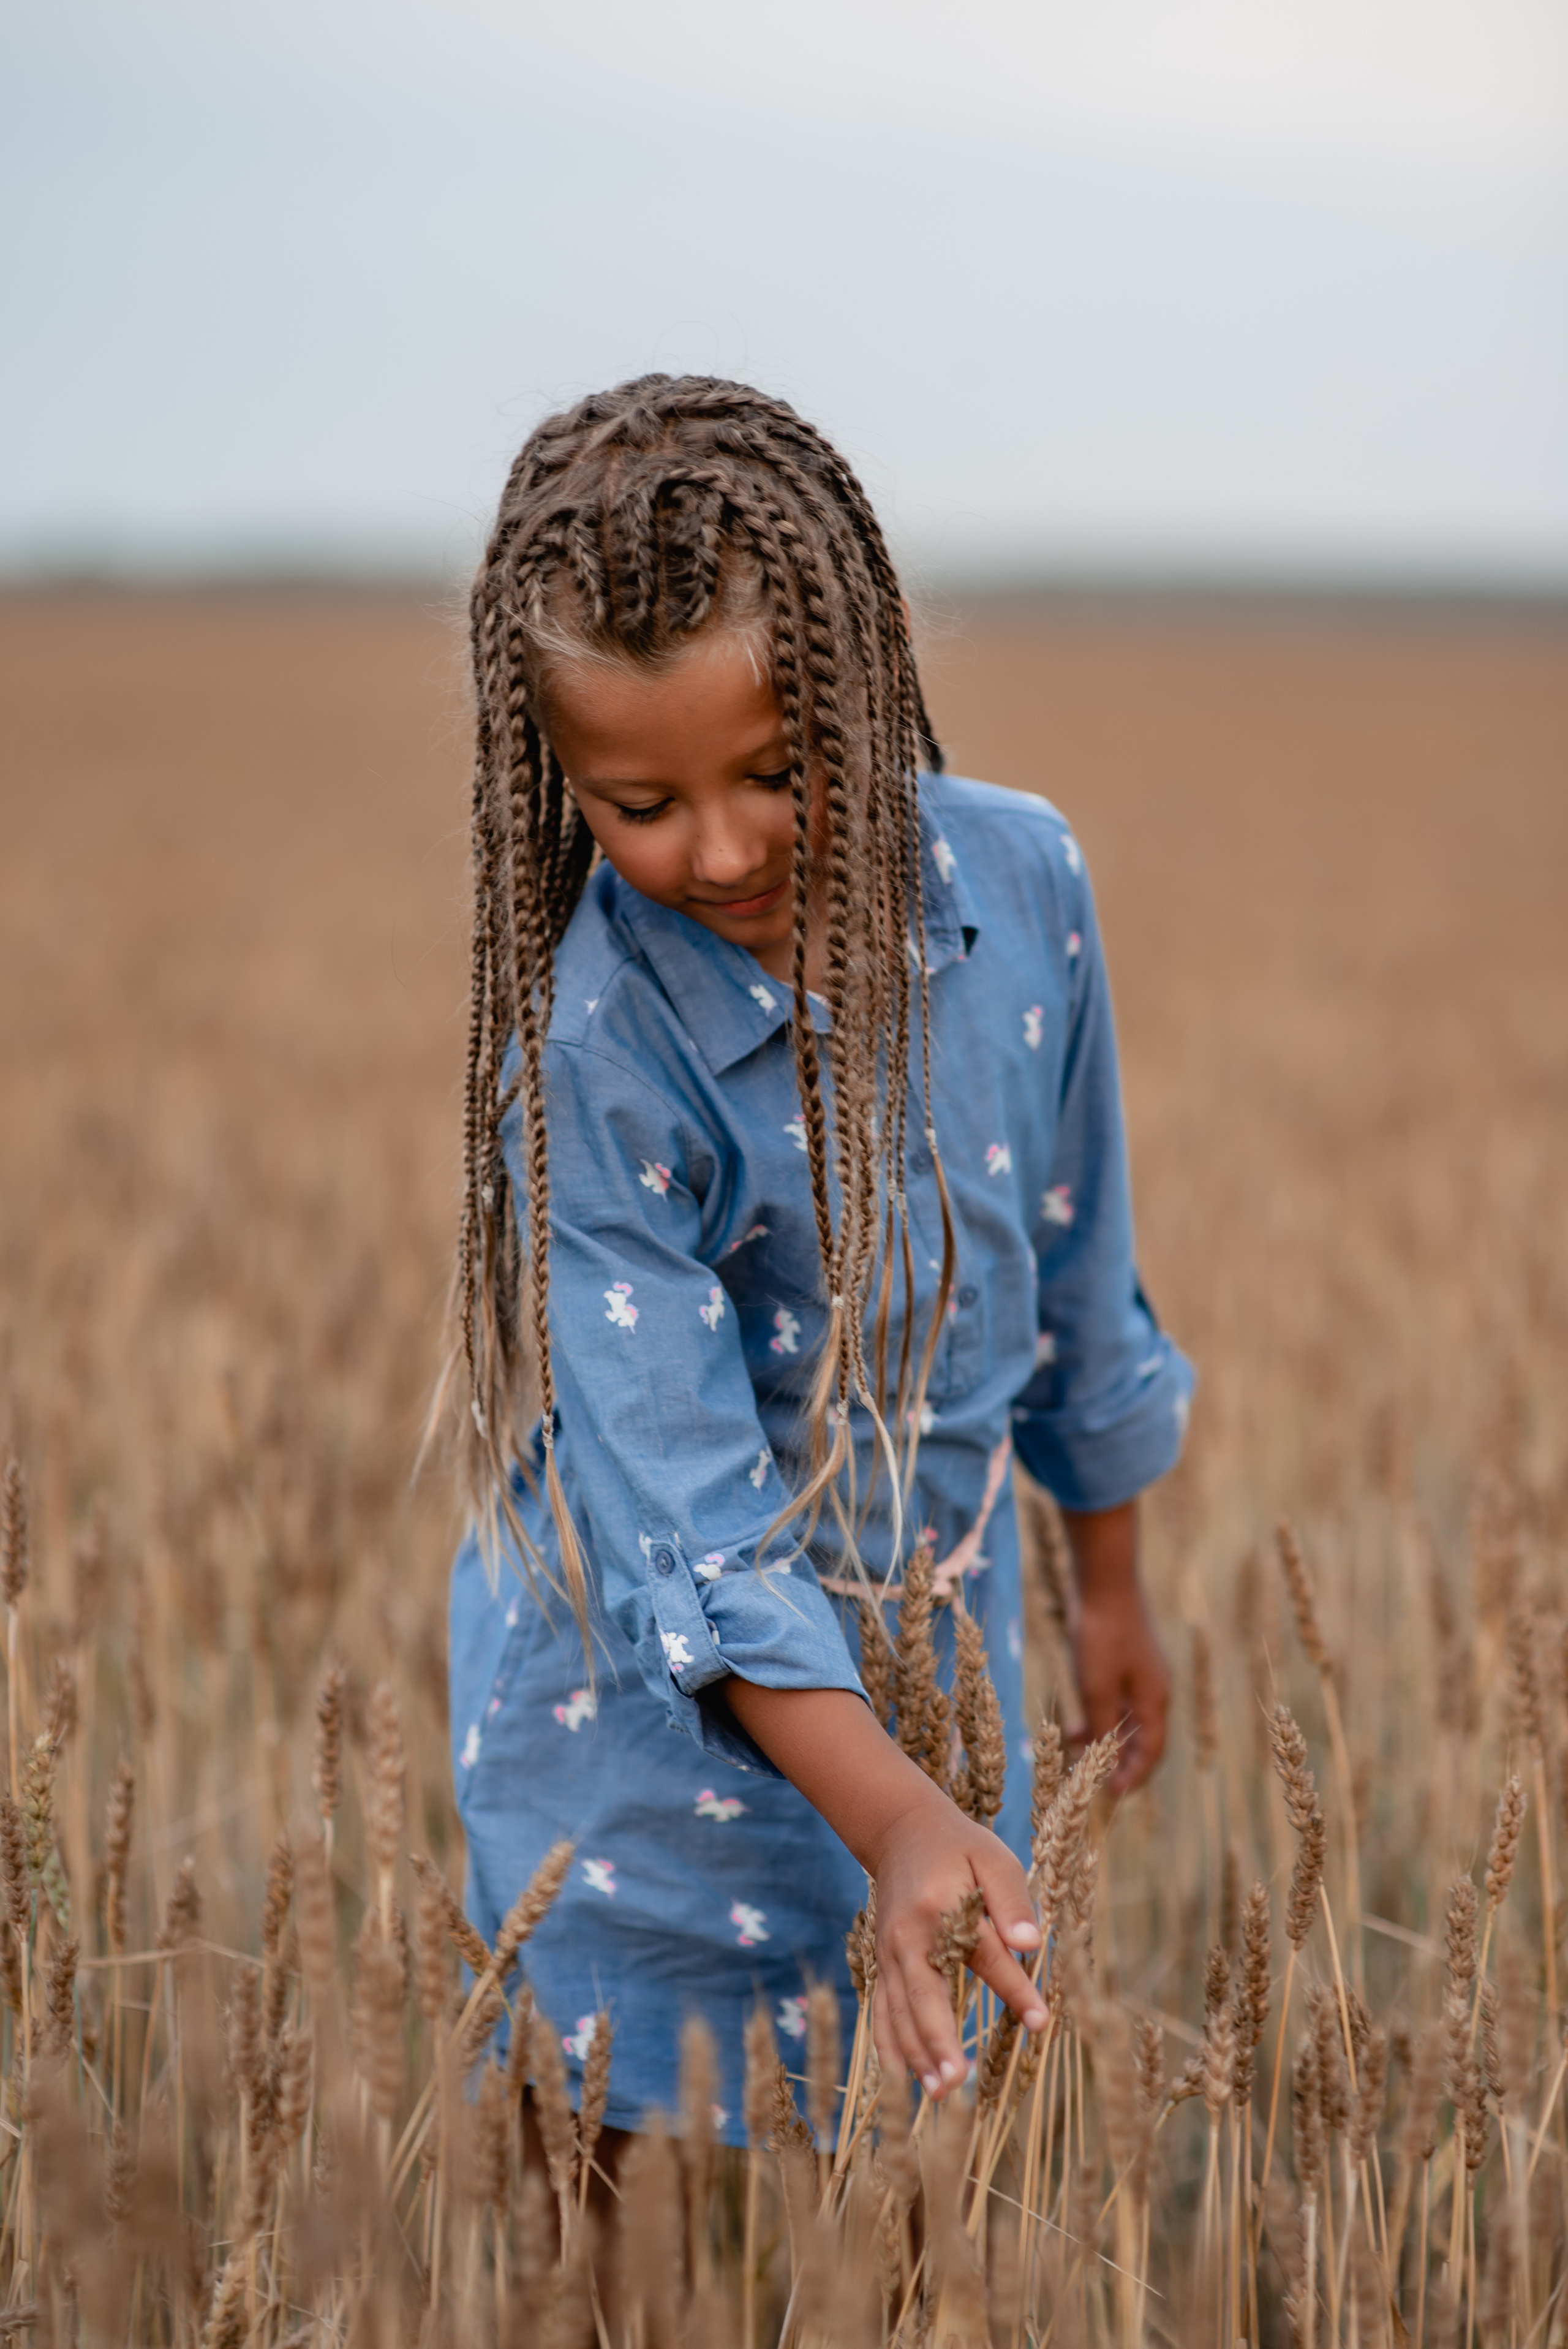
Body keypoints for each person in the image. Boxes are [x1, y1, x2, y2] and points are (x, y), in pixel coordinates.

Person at [444, 374, 1192, 2143]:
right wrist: (896, 1816)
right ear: (554, 782)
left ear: (871, 678)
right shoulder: (594, 1055)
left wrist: (1106, 1583)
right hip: (640, 1753)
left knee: (925, 2180)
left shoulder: (1025, 886)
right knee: (589, 2184)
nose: (720, 850)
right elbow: (687, 1508)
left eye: (782, 772)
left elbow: (1078, 1276)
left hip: (938, 1701)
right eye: (639, 803)